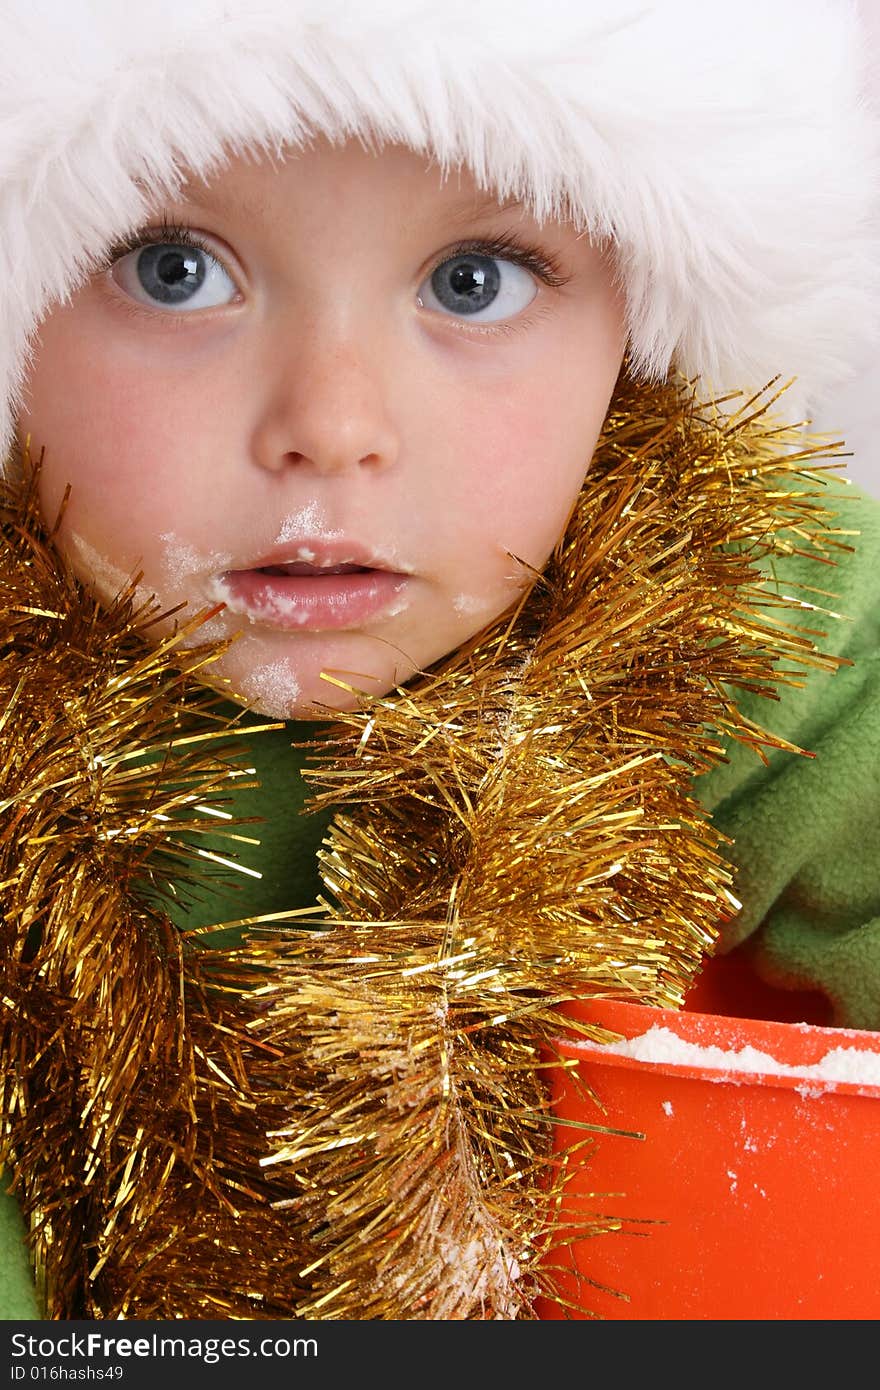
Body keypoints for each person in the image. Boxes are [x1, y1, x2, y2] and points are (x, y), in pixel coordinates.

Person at [1, 0, 879, 1321]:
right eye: (172, 268)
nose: (333, 425)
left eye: (474, 280)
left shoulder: (721, 594)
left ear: (638, 321)